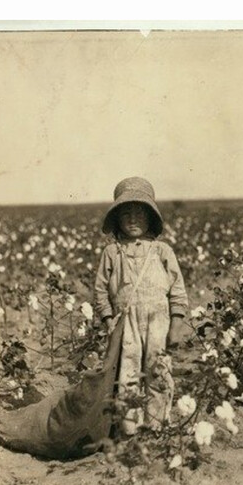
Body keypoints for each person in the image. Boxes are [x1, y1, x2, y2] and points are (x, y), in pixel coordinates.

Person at [94, 177, 188, 431]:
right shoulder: (112, 253)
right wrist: (107, 321)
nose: (133, 219)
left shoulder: (162, 251)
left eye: (139, 213)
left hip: (158, 321)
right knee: (127, 374)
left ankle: (157, 426)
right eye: (126, 214)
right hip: (125, 324)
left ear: (150, 218)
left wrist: (176, 326)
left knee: (158, 373)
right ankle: (130, 431)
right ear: (117, 220)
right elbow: (101, 290)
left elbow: (178, 291)